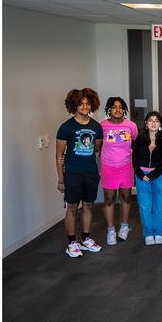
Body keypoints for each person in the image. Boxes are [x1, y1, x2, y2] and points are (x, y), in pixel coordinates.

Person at [55, 88, 104, 257]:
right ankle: (72, 243)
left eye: (87, 103)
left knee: (89, 205)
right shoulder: (66, 127)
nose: (84, 106)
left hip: (90, 172)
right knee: (72, 208)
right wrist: (61, 180)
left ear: (92, 105)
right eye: (80, 103)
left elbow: (96, 149)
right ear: (74, 105)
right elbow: (59, 155)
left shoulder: (96, 126)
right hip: (73, 174)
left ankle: (85, 239)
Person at [100, 97, 138, 245]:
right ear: (109, 109)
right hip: (108, 167)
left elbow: (135, 143)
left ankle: (124, 226)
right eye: (114, 107)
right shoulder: (102, 126)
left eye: (120, 107)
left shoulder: (131, 126)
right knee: (109, 199)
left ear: (124, 109)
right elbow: (98, 146)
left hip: (126, 167)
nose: (117, 109)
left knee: (126, 198)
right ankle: (111, 230)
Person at [132, 111, 162, 246]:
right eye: (150, 120)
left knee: (158, 205)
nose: (153, 122)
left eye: (156, 120)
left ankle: (158, 232)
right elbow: (134, 159)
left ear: (160, 124)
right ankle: (148, 233)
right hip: (142, 176)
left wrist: (153, 175)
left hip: (159, 175)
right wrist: (141, 175)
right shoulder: (139, 139)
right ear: (146, 123)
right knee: (144, 206)